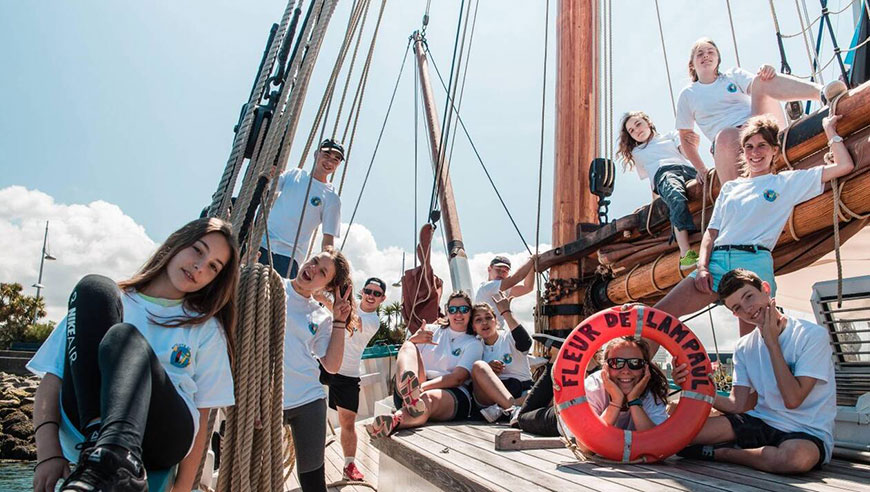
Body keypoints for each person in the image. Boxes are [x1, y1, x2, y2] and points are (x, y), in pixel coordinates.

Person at [28, 217, 239, 492]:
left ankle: (117, 458)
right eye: (197, 250)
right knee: (94, 287)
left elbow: (203, 412)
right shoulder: (112, 302)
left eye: (213, 267)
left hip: (163, 434)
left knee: (124, 338)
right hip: (89, 426)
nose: (199, 267)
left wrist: (182, 487)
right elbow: (53, 378)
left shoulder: (205, 327)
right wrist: (48, 455)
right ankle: (103, 450)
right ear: (177, 243)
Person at [654, 113, 854, 338]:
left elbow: (844, 166)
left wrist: (830, 131)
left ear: (774, 151)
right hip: (716, 262)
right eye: (749, 146)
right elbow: (710, 234)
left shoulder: (786, 182)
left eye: (762, 146)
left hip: (753, 263)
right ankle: (640, 371)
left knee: (754, 343)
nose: (755, 152)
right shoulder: (730, 188)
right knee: (657, 316)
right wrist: (702, 267)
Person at [678, 269, 836, 474]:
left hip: (805, 432)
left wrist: (772, 343)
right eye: (738, 307)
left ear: (765, 289)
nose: (748, 309)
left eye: (749, 296)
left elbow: (793, 400)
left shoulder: (811, 336)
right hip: (760, 421)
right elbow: (738, 404)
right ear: (734, 314)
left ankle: (724, 453)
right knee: (683, 433)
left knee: (795, 459)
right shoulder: (744, 346)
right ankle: (748, 450)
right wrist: (694, 384)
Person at [675, 37, 834, 184]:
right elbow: (686, 136)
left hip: (757, 124)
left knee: (762, 79)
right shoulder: (688, 95)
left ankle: (823, 93)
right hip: (730, 143)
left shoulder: (733, 75)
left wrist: (766, 72)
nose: (706, 56)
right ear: (692, 64)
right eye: (700, 54)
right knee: (726, 135)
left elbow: (759, 87)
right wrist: (701, 169)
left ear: (718, 59)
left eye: (711, 52)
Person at [281, 247, 355, 492]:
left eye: (322, 272)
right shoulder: (272, 285)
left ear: (327, 285)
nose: (312, 269)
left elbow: (331, 366)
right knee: (261, 477)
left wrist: (339, 321)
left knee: (313, 481)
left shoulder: (321, 316)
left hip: (309, 401)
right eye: (314, 261)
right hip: (268, 401)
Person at [366, 292, 483, 438]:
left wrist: (420, 389)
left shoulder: (474, 343)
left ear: (470, 312)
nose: (458, 314)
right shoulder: (429, 330)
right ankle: (407, 389)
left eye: (464, 309)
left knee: (427, 399)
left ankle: (396, 420)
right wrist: (413, 339)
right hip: (414, 386)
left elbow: (457, 378)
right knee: (409, 345)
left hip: (451, 391)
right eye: (453, 309)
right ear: (447, 311)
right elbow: (407, 354)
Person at [514, 336, 671, 439]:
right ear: (606, 367)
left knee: (622, 378)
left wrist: (633, 400)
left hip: (609, 387)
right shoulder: (593, 385)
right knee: (522, 417)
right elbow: (593, 437)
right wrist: (617, 400)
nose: (626, 369)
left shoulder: (651, 390)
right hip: (564, 421)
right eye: (616, 363)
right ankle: (555, 360)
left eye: (634, 363)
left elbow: (655, 439)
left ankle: (581, 358)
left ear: (645, 368)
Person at [318, 277, 387, 482]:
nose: (371, 295)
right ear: (362, 292)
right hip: (322, 363)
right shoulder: (347, 305)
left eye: (376, 293)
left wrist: (330, 302)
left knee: (347, 423)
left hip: (347, 374)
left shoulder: (373, 321)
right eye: (368, 290)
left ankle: (349, 464)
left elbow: (352, 320)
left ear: (382, 298)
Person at [618, 110, 704, 269]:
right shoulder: (637, 153)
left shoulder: (671, 135)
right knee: (675, 198)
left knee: (710, 187)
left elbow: (686, 152)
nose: (637, 130)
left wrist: (694, 147)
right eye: (631, 131)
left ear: (648, 122)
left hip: (688, 170)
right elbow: (652, 179)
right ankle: (686, 254)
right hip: (664, 173)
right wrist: (655, 203)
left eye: (638, 124)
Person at [259, 138, 344, 278]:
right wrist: (268, 174)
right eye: (326, 155)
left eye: (336, 159)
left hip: (288, 257)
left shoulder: (332, 198)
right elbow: (266, 187)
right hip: (261, 244)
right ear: (316, 154)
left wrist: (326, 270)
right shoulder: (294, 174)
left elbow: (328, 239)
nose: (329, 162)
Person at [469, 293, 533, 423]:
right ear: (474, 328)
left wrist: (506, 312)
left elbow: (525, 343)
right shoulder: (474, 346)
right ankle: (513, 408)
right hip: (490, 396)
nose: (484, 322)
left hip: (521, 389)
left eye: (488, 317)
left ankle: (503, 408)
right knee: (479, 366)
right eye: (478, 320)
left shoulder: (508, 338)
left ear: (496, 322)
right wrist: (489, 369)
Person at [474, 254, 536, 325]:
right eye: (498, 270)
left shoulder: (504, 291)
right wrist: (531, 259)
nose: (501, 273)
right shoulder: (486, 287)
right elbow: (517, 277)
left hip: (497, 333)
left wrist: (531, 266)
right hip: (485, 333)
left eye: (505, 271)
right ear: (489, 269)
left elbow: (528, 287)